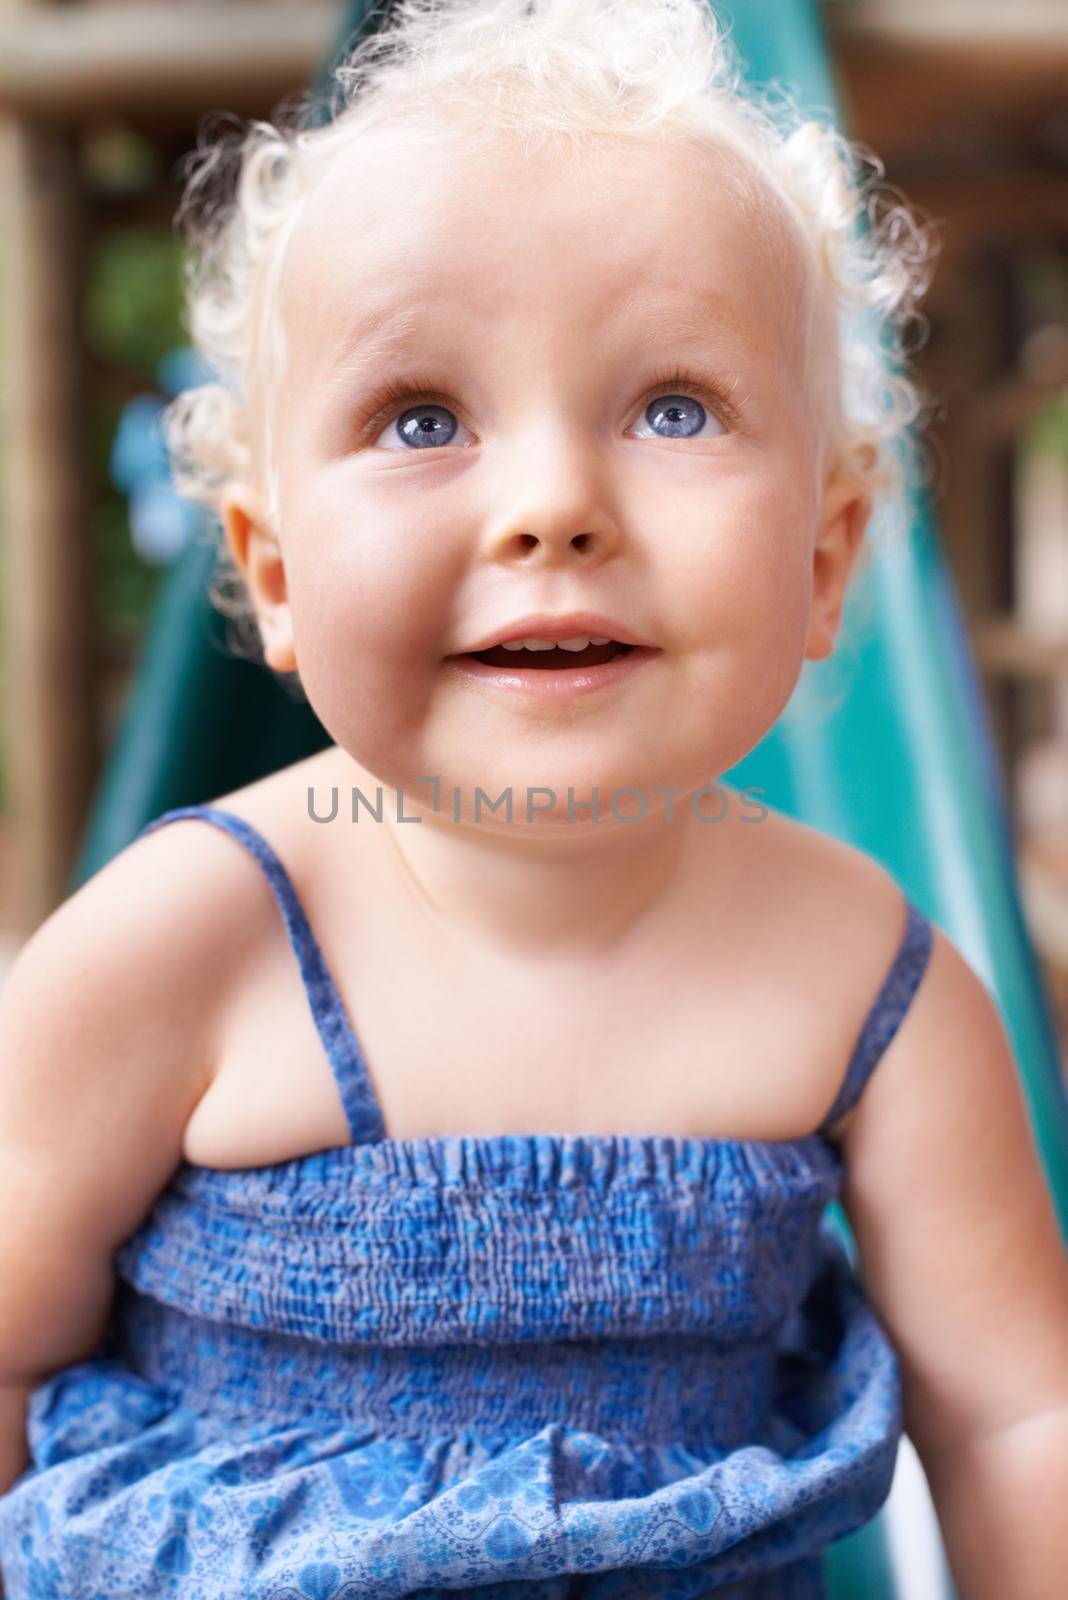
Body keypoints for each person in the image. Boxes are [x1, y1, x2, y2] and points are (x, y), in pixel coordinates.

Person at [2, 2, 1066, 1595]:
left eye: (674, 408)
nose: (555, 504)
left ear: (831, 554)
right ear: (275, 575)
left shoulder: (867, 981)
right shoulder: (189, 940)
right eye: (424, 418)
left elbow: (1018, 1419)